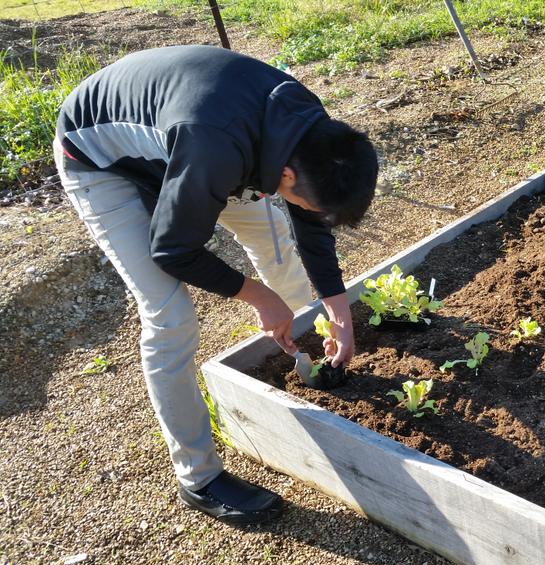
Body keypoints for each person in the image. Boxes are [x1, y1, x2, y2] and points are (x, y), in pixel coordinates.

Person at [54, 45, 378, 525]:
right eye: (297, 194)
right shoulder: (215, 144)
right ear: (284, 174)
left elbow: (311, 221)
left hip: (198, 144)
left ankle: (297, 358)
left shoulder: (313, 132)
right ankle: (198, 478)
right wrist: (258, 296)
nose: (308, 208)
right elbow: (173, 249)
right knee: (170, 317)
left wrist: (339, 311)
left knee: (278, 253)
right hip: (102, 158)